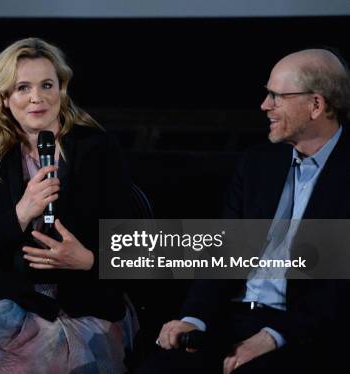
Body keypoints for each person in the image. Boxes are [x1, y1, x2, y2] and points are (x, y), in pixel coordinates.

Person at [140, 48, 350, 373]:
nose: (265, 106)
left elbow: (339, 291)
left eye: (277, 96)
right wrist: (193, 318)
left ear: (316, 105)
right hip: (235, 317)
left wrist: (274, 336)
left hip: (308, 332)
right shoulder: (257, 163)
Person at [0, 37, 140, 373]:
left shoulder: (98, 150)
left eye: (47, 85)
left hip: (87, 301)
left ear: (61, 90)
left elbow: (139, 247)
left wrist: (87, 259)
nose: (37, 98)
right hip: (13, 300)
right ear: (5, 98)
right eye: (22, 87)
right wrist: (20, 213)